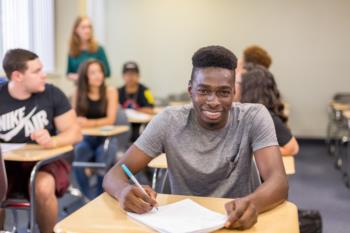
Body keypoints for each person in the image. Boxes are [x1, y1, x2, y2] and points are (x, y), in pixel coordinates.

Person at [103, 45, 288, 230]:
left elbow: (278, 181)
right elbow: (114, 174)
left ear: (234, 92)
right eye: (203, 91)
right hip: (181, 226)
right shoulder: (168, 122)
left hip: (235, 223)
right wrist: (123, 191)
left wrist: (252, 203)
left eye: (223, 92)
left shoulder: (254, 117)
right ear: (190, 90)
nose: (213, 101)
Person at [0, 48, 82, 233]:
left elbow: (75, 133)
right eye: (37, 71)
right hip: (8, 164)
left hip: (46, 162)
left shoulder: (52, 94)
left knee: (43, 186)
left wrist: (52, 140)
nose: (44, 75)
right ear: (17, 76)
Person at [72, 59, 118, 199]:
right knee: (79, 152)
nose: (98, 75)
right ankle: (88, 196)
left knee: (103, 154)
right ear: (85, 76)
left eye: (99, 72)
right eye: (92, 73)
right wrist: (92, 123)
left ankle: (99, 196)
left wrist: (87, 122)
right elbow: (74, 120)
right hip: (86, 138)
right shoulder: (78, 93)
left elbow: (110, 120)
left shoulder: (110, 91)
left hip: (107, 138)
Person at [240, 64, 299, 156]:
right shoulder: (241, 112)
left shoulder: (264, 116)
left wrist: (254, 152)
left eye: (239, 83)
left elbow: (292, 148)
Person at [118, 61, 155, 141]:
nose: (130, 77)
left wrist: (134, 111)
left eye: (133, 74)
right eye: (127, 74)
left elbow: (151, 110)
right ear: (123, 76)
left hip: (141, 126)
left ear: (138, 76)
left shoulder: (146, 91)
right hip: (123, 125)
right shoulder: (117, 92)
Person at [67, 16, 111, 82]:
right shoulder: (72, 50)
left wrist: (92, 76)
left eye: (89, 27)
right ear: (76, 30)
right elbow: (69, 73)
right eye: (83, 27)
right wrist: (78, 77)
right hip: (80, 87)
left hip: (96, 87)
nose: (87, 30)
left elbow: (107, 72)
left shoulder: (98, 49)